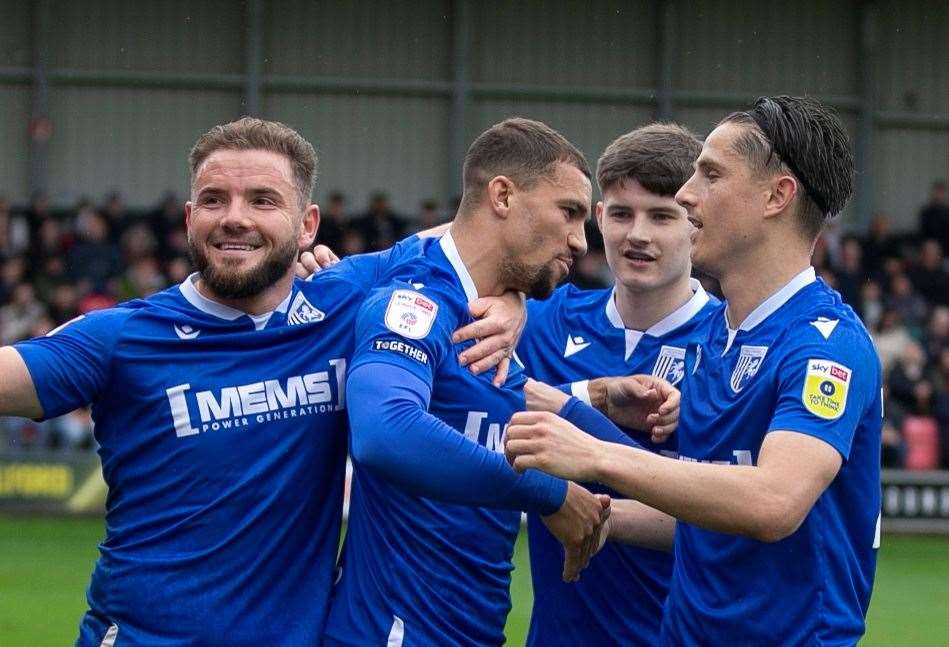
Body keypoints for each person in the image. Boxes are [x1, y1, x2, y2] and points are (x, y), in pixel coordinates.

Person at [0, 117, 520, 646]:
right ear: (187, 218)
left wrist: (511, 301)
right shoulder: (122, 336)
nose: (234, 218)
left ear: (307, 225)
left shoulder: (345, 305)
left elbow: (479, 244)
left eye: (263, 201)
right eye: (213, 200)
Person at [506, 96, 883, 645]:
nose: (687, 193)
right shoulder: (716, 337)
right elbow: (703, 523)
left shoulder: (824, 346)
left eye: (710, 174)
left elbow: (774, 502)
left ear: (776, 196)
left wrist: (596, 455)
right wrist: (583, 508)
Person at [323, 118, 615, 646]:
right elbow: (384, 432)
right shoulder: (415, 299)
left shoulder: (488, 319)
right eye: (569, 211)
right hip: (394, 632)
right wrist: (550, 495)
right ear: (502, 195)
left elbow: (521, 413)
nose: (579, 239)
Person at [516, 123, 718, 647]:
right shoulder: (542, 321)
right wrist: (326, 269)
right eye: (623, 213)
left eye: (662, 216)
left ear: (696, 223)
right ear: (599, 219)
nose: (639, 235)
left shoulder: (729, 346)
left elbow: (729, 516)